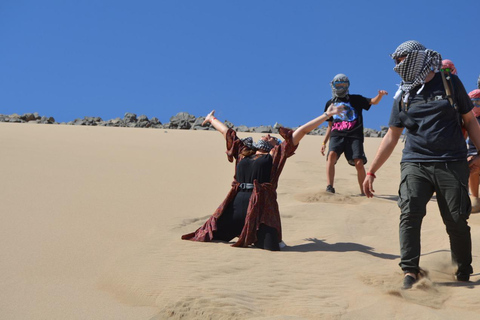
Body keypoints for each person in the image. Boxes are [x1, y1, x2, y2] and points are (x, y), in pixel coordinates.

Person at [362, 40, 480, 289]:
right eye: (394, 61)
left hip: (451, 162)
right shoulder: (403, 94)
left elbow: (470, 121)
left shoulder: (449, 83)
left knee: (456, 219)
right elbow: (392, 135)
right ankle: (410, 270)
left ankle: (462, 270)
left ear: (415, 58)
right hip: (415, 161)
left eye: (400, 60)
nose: (397, 66)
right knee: (410, 212)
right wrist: (371, 170)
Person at [182, 105, 345, 251]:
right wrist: (211, 119)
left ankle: (261, 235)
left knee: (270, 247)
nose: (267, 135)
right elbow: (227, 133)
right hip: (236, 205)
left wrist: (325, 115)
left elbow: (301, 132)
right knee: (209, 235)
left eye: (272, 137)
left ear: (276, 145)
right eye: (267, 135)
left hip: (261, 209)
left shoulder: (275, 157)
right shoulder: (244, 152)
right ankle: (242, 230)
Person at [321, 74, 388, 194]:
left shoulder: (356, 99)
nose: (341, 87)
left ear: (348, 86)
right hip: (337, 135)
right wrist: (324, 142)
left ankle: (364, 191)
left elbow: (373, 101)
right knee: (331, 155)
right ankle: (329, 187)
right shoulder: (330, 104)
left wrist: (380, 95)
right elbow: (330, 125)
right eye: (338, 85)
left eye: (344, 85)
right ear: (333, 85)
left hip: (354, 136)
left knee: (358, 162)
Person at [466, 89, 480, 212]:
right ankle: (474, 197)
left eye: (478, 102)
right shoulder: (469, 120)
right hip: (472, 154)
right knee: (470, 166)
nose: (475, 106)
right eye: (472, 103)